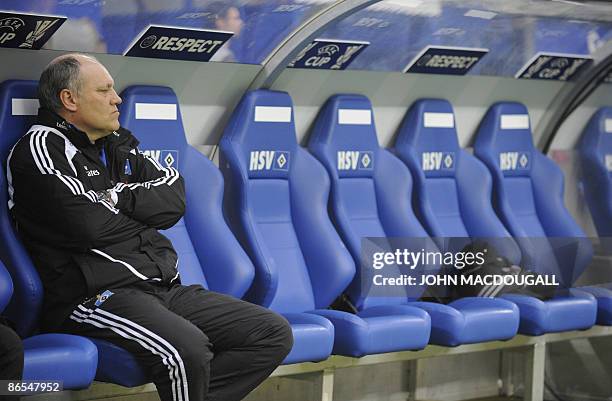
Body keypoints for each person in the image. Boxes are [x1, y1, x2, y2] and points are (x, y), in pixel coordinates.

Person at [7, 54, 292, 401]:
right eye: (105, 90)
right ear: (69, 99)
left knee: (271, 331)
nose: (118, 99)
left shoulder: (117, 145)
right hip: (95, 297)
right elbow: (86, 225)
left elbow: (173, 198)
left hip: (162, 288)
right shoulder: (41, 148)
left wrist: (111, 197)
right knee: (185, 350)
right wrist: (137, 212)